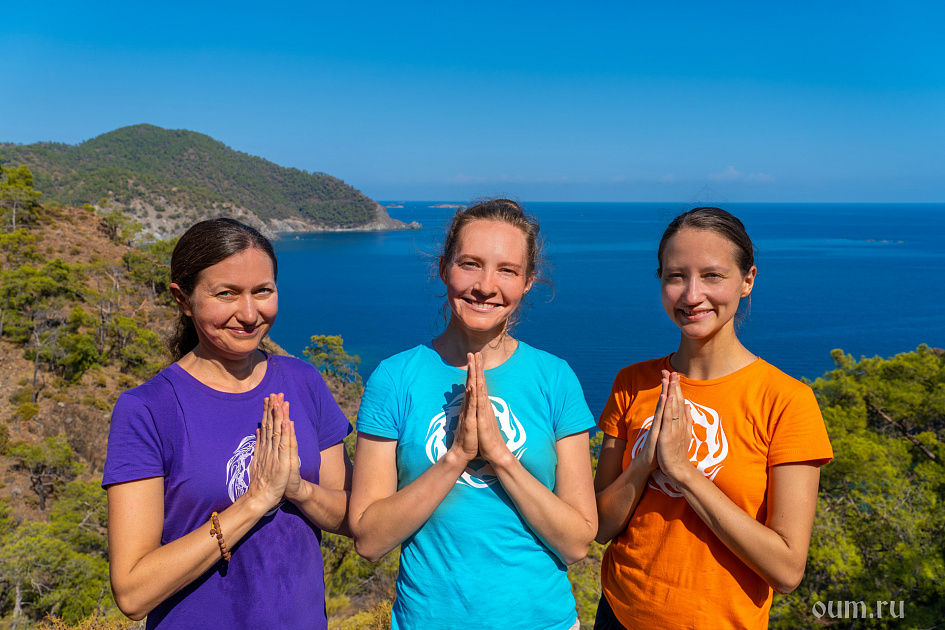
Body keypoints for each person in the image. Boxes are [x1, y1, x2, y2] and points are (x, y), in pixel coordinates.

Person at [349, 199, 598, 630]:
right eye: (470, 264)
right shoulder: (394, 378)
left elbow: (576, 543)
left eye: (507, 270)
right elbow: (369, 539)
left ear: (528, 282)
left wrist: (500, 456)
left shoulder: (555, 378)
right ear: (443, 267)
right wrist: (456, 457)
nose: (486, 286)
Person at [103, 218, 353, 629]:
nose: (250, 314)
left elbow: (353, 517)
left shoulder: (303, 381)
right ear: (183, 299)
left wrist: (299, 490)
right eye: (227, 294)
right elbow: (133, 592)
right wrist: (254, 502)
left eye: (263, 291)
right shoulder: (148, 409)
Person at [593, 207, 833, 629]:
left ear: (748, 280)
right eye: (676, 276)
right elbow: (600, 526)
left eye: (712, 276)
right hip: (619, 614)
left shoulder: (786, 401)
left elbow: (787, 570)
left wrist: (684, 472)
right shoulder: (632, 382)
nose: (691, 295)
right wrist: (645, 463)